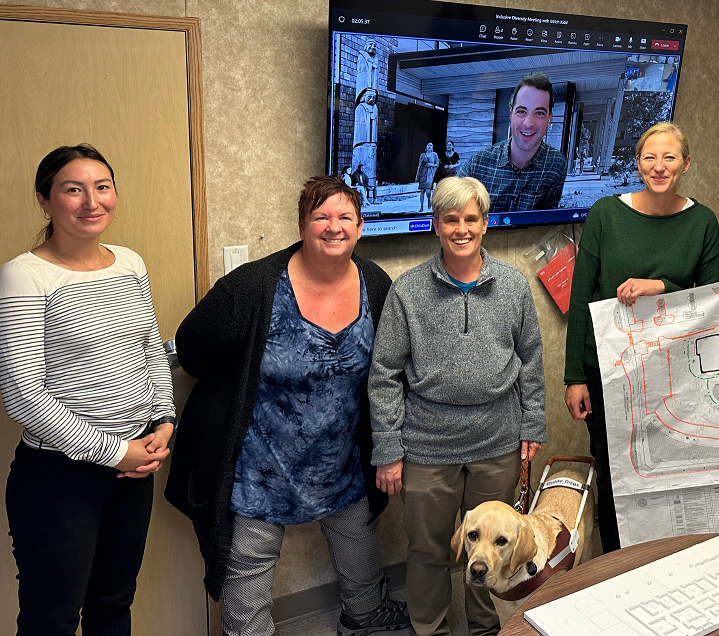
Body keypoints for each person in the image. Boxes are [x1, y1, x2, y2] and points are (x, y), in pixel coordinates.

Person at [163, 176, 408, 636]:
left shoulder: (375, 283)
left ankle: (364, 615)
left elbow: (390, 367)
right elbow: (194, 349)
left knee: (361, 550)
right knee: (247, 578)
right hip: (259, 467)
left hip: (341, 461)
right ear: (301, 226)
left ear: (360, 228)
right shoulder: (254, 286)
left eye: (345, 217)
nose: (333, 227)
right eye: (321, 216)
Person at [0, 144, 175, 635]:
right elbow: (22, 395)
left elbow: (149, 347)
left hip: (134, 466)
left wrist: (164, 421)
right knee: (51, 620)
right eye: (72, 189)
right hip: (60, 479)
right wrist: (113, 452)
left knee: (113, 608)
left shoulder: (129, 263)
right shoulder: (25, 276)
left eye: (102, 187)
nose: (90, 202)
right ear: (44, 199)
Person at [368, 176, 546, 636]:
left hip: (497, 441)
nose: (461, 229)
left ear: (485, 224)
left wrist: (533, 425)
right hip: (427, 445)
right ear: (436, 224)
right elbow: (385, 373)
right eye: (451, 219)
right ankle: (431, 628)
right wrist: (388, 448)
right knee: (429, 550)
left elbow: (530, 358)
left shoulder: (512, 285)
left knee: (493, 549)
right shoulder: (407, 291)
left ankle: (488, 627)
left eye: (471, 219)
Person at [563, 122, 719, 553]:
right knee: (616, 475)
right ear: (637, 163)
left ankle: (666, 558)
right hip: (609, 375)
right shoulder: (604, 215)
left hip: (673, 376)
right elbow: (581, 299)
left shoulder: (703, 222)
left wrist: (662, 288)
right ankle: (616, 562)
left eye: (669, 157)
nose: (659, 166)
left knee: (672, 470)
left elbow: (710, 302)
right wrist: (574, 376)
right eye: (650, 157)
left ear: (685, 164)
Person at [457, 73, 568, 213]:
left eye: (539, 113)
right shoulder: (476, 165)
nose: (528, 124)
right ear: (511, 115)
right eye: (521, 111)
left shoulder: (556, 165)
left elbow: (546, 223)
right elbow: (449, 217)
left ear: (550, 118)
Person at [415, 142, 439, 212]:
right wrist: (417, 175)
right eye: (428, 145)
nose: (429, 146)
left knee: (428, 191)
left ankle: (429, 199)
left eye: (431, 145)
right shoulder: (423, 155)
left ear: (432, 147)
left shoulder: (434, 155)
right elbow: (419, 165)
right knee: (422, 191)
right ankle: (421, 206)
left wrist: (431, 164)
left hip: (430, 175)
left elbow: (437, 164)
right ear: (426, 147)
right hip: (423, 174)